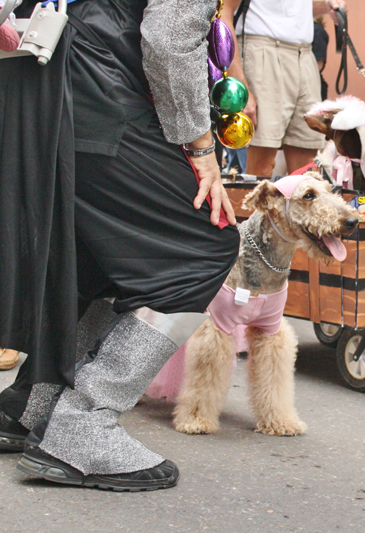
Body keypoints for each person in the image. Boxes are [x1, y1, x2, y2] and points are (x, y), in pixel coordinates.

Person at [0, 0, 240, 491]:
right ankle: (82, 421)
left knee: (104, 248)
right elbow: (170, 40)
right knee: (201, 246)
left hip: (43, 68)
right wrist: (200, 149)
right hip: (91, 82)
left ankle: (32, 404)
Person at [221, 0, 344, 177]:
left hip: (305, 53)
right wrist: (240, 88)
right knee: (261, 165)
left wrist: (326, 6)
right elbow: (223, 15)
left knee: (307, 170)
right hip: (262, 49)